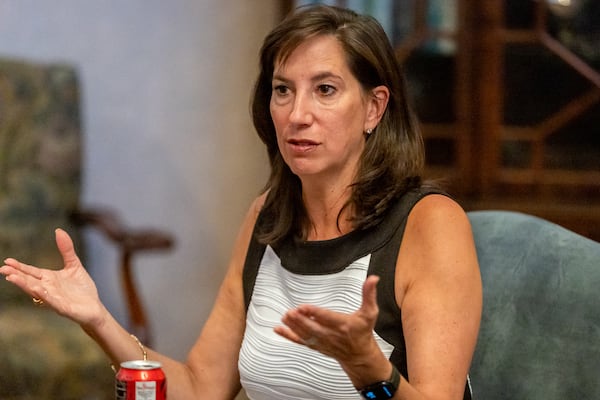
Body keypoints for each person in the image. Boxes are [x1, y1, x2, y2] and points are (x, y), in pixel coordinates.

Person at [1, 5, 482, 400]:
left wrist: (370, 369)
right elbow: (198, 386)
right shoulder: (267, 217)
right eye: (282, 91)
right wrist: (98, 319)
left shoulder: (430, 223)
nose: (297, 115)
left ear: (374, 108)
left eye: (325, 90)